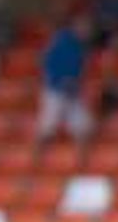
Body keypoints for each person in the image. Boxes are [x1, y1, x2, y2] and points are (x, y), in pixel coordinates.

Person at [36, 15, 95, 153]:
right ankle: (40, 151)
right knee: (50, 119)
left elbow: (79, 68)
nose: (87, 31)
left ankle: (82, 150)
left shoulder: (80, 45)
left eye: (88, 28)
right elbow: (49, 64)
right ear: (76, 27)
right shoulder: (62, 41)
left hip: (72, 90)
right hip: (55, 89)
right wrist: (61, 79)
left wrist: (75, 81)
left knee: (83, 123)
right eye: (84, 27)